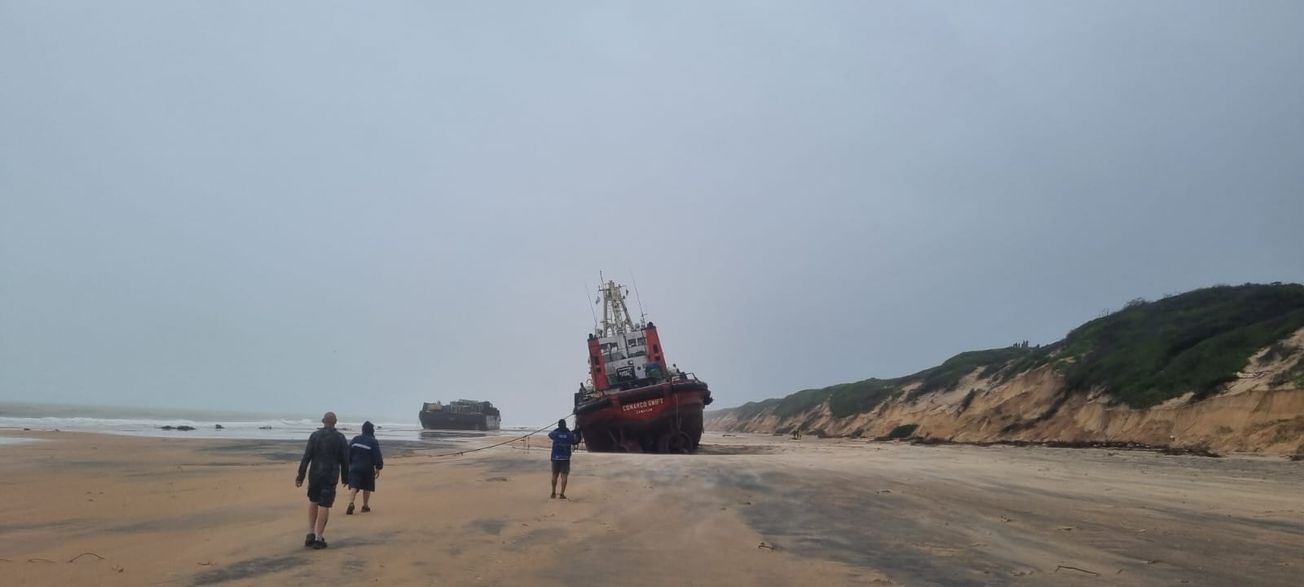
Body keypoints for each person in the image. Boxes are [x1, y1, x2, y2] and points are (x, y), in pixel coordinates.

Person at [296, 411, 349, 550]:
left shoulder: (314, 436)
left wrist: (300, 475)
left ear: (323, 421)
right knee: (324, 505)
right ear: (335, 422)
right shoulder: (340, 438)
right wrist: (346, 477)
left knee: (313, 501)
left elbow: (306, 457)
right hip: (330, 475)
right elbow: (345, 460)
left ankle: (310, 533)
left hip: (315, 474)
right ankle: (319, 538)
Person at [346, 421, 384, 515]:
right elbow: (377, 456)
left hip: (354, 466)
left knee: (353, 486)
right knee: (367, 487)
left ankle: (351, 502)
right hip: (367, 468)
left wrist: (349, 463)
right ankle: (365, 506)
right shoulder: (373, 441)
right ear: (372, 431)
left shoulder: (355, 439)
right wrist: (378, 467)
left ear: (362, 430)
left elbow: (348, 452)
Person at [548, 419, 579, 499]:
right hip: (565, 458)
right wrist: (569, 431)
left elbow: (550, 434)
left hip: (555, 457)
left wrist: (558, 429)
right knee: (564, 476)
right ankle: (562, 494)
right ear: (565, 425)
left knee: (554, 475)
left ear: (558, 425)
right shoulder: (569, 434)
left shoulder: (555, 434)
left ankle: (553, 492)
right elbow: (575, 440)